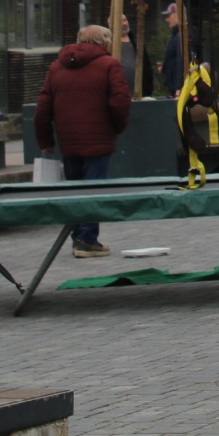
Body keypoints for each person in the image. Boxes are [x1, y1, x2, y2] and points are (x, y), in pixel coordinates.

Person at [34, 24, 132, 259]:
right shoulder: (109, 65)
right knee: (93, 188)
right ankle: (87, 239)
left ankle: (77, 236)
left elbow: (43, 108)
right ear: (104, 42)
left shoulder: (57, 67)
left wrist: (46, 140)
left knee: (74, 188)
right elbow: (120, 101)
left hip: (68, 141)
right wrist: (117, 128)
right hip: (98, 139)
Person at [159, 2, 184, 90]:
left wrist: (179, 87)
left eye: (168, 16)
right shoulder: (176, 35)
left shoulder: (181, 36)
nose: (166, 20)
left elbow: (181, 61)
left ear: (177, 16)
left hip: (179, 89)